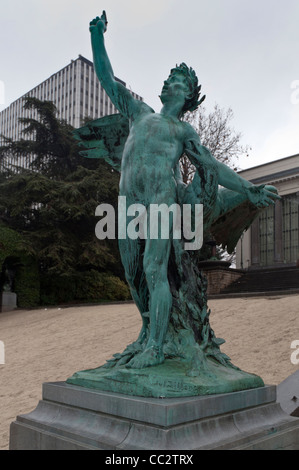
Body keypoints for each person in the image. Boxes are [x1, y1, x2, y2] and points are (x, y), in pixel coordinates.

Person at [89, 12, 280, 369]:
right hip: (128, 203)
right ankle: (149, 330)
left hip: (162, 201)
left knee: (153, 269)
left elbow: (212, 166)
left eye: (176, 80)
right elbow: (106, 78)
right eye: (169, 77)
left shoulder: (182, 131)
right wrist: (97, 36)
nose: (168, 81)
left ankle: (157, 348)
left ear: (188, 95)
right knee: (133, 277)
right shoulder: (139, 113)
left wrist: (249, 189)